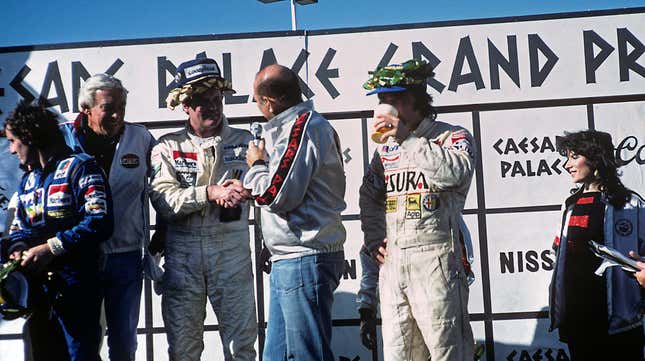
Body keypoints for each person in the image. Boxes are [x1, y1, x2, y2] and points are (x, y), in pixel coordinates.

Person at [359, 59, 475, 361]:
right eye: (383, 100)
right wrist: (374, 240)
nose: (387, 106)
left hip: (436, 259)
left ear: (417, 99)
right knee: (400, 355)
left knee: (446, 350)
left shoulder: (453, 136)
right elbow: (369, 194)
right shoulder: (384, 148)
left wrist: (408, 139)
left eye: (394, 99)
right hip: (394, 264)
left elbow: (453, 175)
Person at [149, 57, 257, 361]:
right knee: (184, 351)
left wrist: (247, 191)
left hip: (232, 252)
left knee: (241, 349)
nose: (211, 107)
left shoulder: (247, 142)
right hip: (182, 258)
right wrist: (209, 193)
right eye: (201, 102)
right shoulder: (166, 146)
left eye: (216, 99)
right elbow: (164, 201)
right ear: (185, 105)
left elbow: (267, 192)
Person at [243, 64, 346, 361]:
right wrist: (270, 244)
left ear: (269, 102)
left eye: (257, 100)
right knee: (277, 356)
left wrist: (257, 165)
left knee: (307, 355)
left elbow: (277, 195)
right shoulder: (293, 127)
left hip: (304, 257)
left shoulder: (304, 126)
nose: (259, 108)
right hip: (289, 256)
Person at [2, 100, 113, 361]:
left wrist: (50, 248)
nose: (10, 150)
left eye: (12, 140)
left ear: (29, 136)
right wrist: (19, 250)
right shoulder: (29, 179)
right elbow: (18, 227)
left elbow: (100, 221)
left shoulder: (80, 166)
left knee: (80, 355)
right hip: (39, 291)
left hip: (78, 284)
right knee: (40, 354)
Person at [59, 73, 156, 361]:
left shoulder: (141, 138)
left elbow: (165, 188)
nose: (117, 115)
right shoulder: (63, 138)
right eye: (108, 108)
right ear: (86, 109)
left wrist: (161, 234)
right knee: (83, 344)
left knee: (124, 343)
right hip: (78, 257)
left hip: (125, 255)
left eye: (122, 107)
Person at [549, 130, 645, 361]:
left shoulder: (631, 203)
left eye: (574, 157)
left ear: (595, 158)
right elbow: (561, 253)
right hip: (577, 322)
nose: (566, 165)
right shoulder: (569, 204)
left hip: (619, 323)